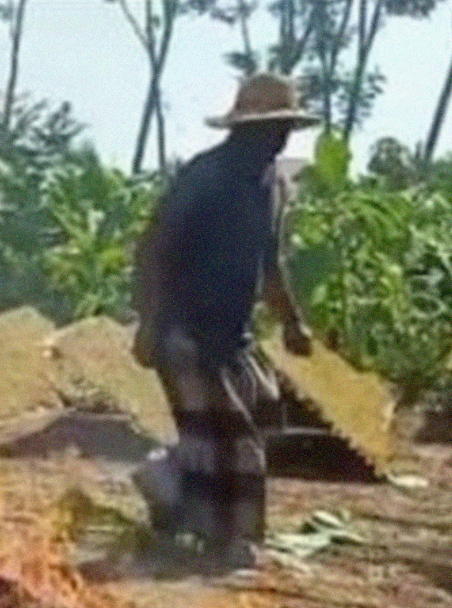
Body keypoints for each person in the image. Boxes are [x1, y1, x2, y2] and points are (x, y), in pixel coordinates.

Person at [129, 73, 317, 576]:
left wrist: (292, 322)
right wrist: (149, 323)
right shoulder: (205, 177)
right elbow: (154, 251)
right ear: (245, 130)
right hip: (186, 330)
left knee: (262, 412)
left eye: (286, 127)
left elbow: (270, 260)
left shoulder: (273, 183)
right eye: (272, 128)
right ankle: (235, 542)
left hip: (234, 334)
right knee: (237, 439)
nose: (281, 137)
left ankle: (167, 484)